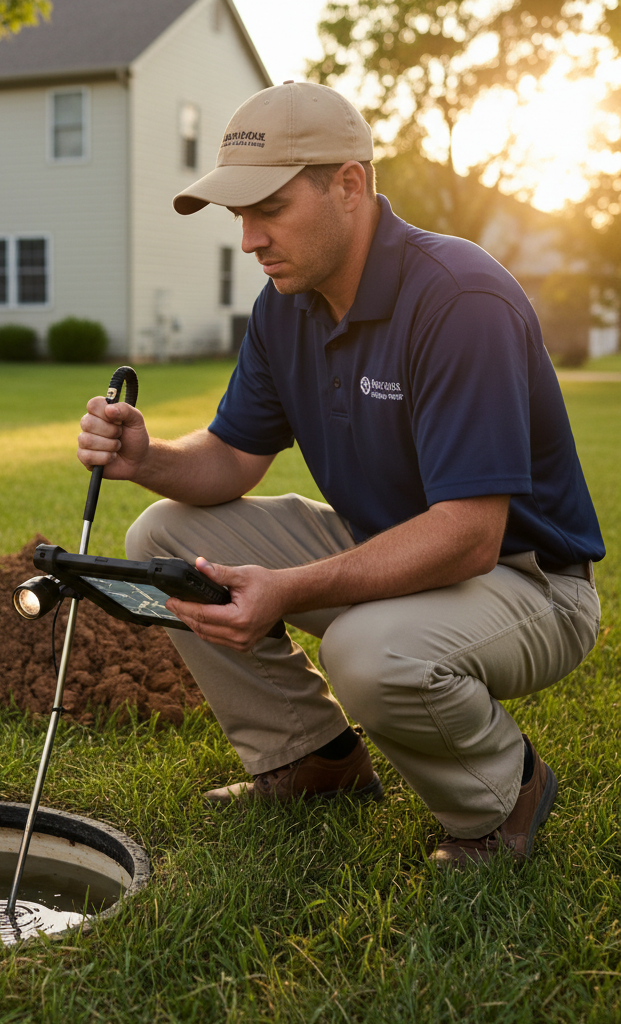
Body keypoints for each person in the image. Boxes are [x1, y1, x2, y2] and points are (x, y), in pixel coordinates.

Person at [76, 82, 603, 866]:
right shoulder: (284, 305)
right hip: (389, 545)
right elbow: (232, 457)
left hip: (528, 582)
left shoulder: (459, 299)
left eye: (270, 209)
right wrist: (146, 459)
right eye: (238, 216)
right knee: (165, 534)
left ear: (349, 185)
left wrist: (289, 590)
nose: (249, 239)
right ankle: (315, 760)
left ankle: (501, 799)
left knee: (363, 650)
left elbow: (468, 537)